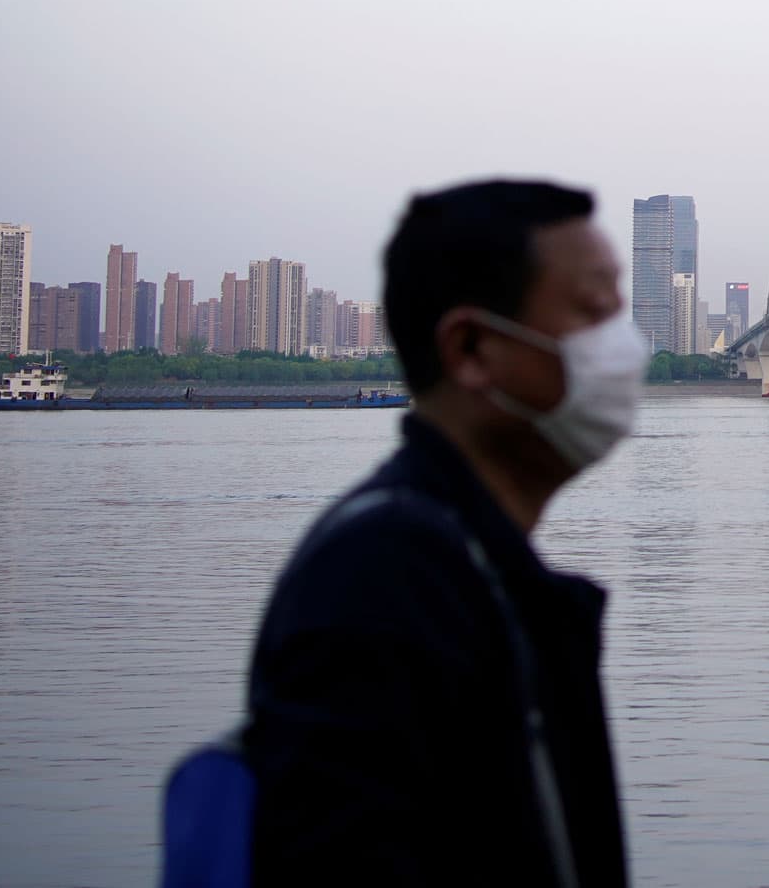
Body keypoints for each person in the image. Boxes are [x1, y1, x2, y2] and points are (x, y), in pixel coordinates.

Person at [244, 180, 645, 884]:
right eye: (593, 310)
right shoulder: (380, 583)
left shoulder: (469, 565)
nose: (626, 348)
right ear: (469, 350)